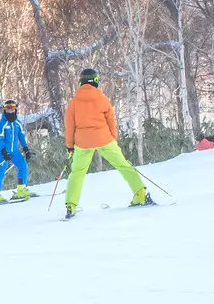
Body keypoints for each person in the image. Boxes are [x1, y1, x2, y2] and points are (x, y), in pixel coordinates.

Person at [61, 67, 149, 219]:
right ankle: (140, 193)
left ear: (81, 82)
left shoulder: (74, 102)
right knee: (123, 165)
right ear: (95, 81)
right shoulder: (102, 99)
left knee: (77, 173)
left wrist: (70, 146)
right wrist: (113, 138)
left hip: (83, 142)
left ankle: (71, 205)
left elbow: (70, 126)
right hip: (104, 138)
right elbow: (111, 121)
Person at [0, 98, 34, 203]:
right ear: (4, 110)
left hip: (14, 151)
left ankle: (21, 189)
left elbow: (21, 136)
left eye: (12, 108)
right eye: (7, 108)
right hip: (2, 152)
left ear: (15, 109)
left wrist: (26, 149)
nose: (10, 110)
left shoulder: (17, 123)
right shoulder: (1, 124)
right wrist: (3, 152)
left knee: (23, 166)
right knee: (1, 170)